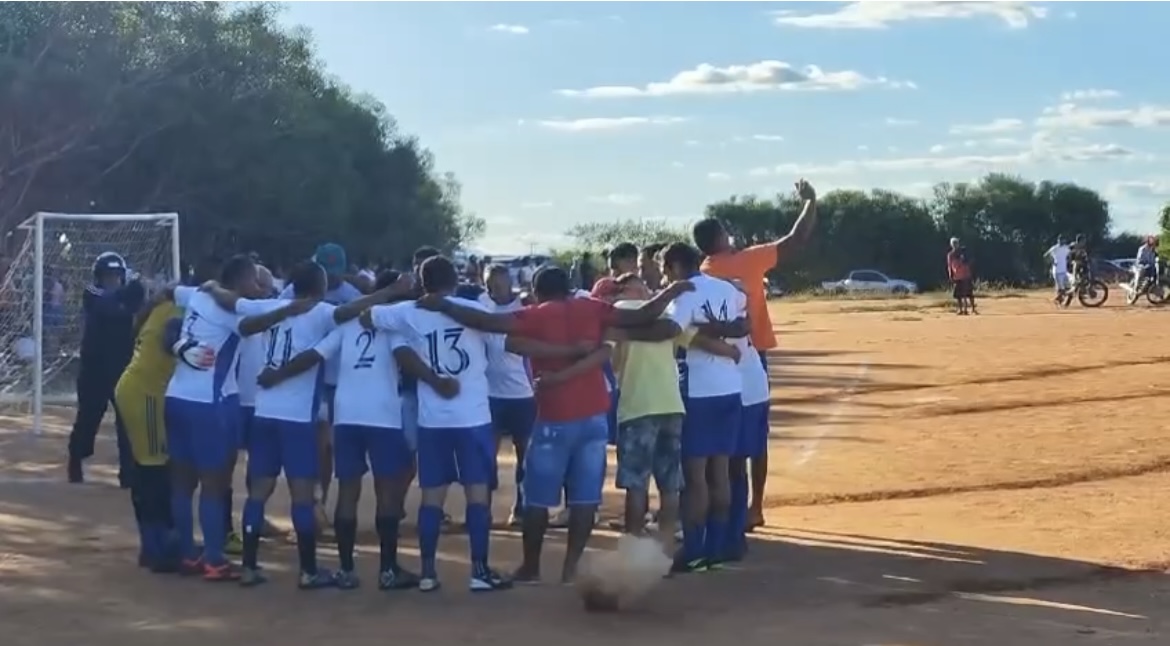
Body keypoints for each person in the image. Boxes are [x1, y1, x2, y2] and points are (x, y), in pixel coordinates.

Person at [416, 265, 694, 584]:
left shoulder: (534, 315)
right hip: (593, 418)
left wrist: (445, 305)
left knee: (538, 498)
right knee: (585, 498)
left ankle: (531, 567)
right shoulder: (593, 308)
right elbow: (645, 314)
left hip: (554, 417)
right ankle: (571, 568)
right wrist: (671, 292)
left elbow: (487, 322)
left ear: (537, 292)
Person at [367, 256, 590, 592]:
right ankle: (479, 570)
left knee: (432, 497)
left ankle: (427, 572)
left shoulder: (409, 312)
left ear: (421, 281)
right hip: (472, 417)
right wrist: (567, 350)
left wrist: (396, 296)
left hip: (433, 420)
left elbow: (364, 316)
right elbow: (509, 344)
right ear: (453, 281)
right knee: (477, 495)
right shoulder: (471, 311)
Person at [254, 270, 438, 590]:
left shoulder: (346, 323)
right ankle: (387, 570)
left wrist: (277, 374)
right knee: (387, 492)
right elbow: (405, 358)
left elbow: (314, 355)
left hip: (347, 414)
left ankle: (346, 569)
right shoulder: (394, 325)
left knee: (348, 490)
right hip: (383, 415)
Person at [164, 255, 308, 581]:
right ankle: (214, 559)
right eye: (254, 282)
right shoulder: (234, 309)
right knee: (215, 484)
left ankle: (188, 553)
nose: (258, 288)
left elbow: (170, 292)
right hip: (211, 403)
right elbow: (249, 325)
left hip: (176, 397)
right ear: (241, 282)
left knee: (182, 484)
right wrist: (287, 310)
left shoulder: (199, 295)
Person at [692, 178, 818, 532]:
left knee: (725, 443)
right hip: (751, 357)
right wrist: (810, 202)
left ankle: (729, 512)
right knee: (755, 437)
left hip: (712, 362)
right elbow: (796, 241)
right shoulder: (747, 261)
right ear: (720, 238)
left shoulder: (701, 272)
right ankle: (754, 506)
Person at [658, 242, 748, 572]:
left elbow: (671, 331)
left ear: (676, 266)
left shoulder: (685, 294)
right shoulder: (725, 288)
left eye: (667, 269)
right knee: (720, 472)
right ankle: (719, 546)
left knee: (696, 477)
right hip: (730, 388)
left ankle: (694, 549)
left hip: (698, 391)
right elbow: (742, 324)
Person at [115, 282, 205, 572]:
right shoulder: (179, 313)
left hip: (138, 391)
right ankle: (160, 549)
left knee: (150, 468)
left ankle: (155, 544)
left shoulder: (163, 307)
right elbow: (170, 340)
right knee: (154, 471)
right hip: (146, 396)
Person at [279, 243, 366, 534]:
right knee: (309, 446)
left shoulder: (351, 297)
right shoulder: (293, 291)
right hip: (300, 378)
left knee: (327, 447)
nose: (330, 279)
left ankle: (320, 504)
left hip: (335, 381)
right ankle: (309, 507)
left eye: (334, 273)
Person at [68, 252, 144, 486]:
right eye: (107, 276)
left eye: (116, 276)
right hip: (94, 369)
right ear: (98, 277)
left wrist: (134, 293)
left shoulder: (130, 296)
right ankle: (76, 459)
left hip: (123, 368)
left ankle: (128, 473)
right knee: (89, 417)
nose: (112, 280)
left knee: (127, 421)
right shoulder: (92, 293)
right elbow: (107, 304)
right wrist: (128, 293)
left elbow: (135, 305)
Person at [479, 264, 536, 527]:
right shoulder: (480, 304)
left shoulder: (525, 307)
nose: (494, 289)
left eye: (499, 284)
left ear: (509, 282)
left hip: (522, 393)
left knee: (525, 454)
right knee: (486, 454)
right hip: (489, 394)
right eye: (490, 284)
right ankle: (484, 509)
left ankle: (522, 506)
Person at [948, 238, 976, 315]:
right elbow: (949, 265)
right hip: (957, 276)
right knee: (959, 294)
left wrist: (964, 261)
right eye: (953, 243)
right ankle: (961, 309)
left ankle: (972, 309)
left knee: (969, 293)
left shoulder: (963, 252)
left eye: (956, 243)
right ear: (951, 245)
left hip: (966, 275)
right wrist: (950, 274)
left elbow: (971, 261)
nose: (955, 245)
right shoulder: (950, 255)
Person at [1044, 236, 1072, 306]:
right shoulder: (1055, 248)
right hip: (1057, 271)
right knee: (1061, 289)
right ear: (1058, 240)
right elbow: (1046, 255)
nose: (1061, 241)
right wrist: (1052, 262)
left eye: (1062, 240)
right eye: (1060, 240)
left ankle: (1059, 300)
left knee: (1068, 288)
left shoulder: (1066, 248)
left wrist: (1069, 261)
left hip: (1064, 271)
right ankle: (1057, 300)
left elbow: (1070, 254)